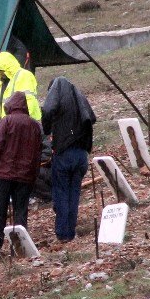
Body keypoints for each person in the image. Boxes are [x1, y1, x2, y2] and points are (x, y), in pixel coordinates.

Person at [0, 92, 42, 259]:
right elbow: (38, 153)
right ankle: (20, 248)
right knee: (21, 211)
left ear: (10, 106)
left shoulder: (6, 122)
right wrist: (34, 175)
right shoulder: (34, 125)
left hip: (4, 176)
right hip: (25, 177)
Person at [42, 77, 96, 242]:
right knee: (74, 195)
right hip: (81, 156)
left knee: (61, 193)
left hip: (64, 154)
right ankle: (70, 233)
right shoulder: (79, 97)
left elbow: (47, 109)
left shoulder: (57, 93)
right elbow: (91, 118)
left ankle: (63, 234)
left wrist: (47, 129)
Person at [0, 51, 41, 136]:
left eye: (1, 70)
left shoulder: (24, 76)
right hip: (9, 130)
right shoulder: (1, 84)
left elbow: (28, 102)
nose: (0, 73)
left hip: (22, 129)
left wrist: (19, 125)